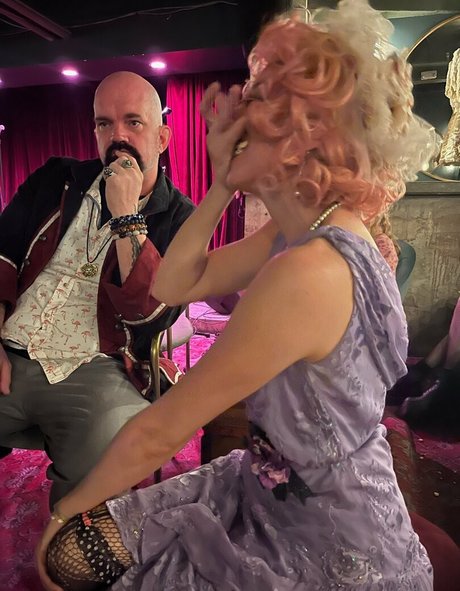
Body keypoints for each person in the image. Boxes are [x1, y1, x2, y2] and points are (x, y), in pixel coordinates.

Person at [37, 1, 439, 589]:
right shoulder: (309, 228)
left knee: (67, 555)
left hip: (326, 534)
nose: (234, 115)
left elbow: (162, 430)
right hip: (272, 484)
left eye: (258, 102)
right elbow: (173, 285)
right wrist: (223, 180)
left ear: (303, 137)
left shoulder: (307, 270)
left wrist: (60, 516)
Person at [0, 71, 194, 506]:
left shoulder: (182, 218)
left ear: (162, 138)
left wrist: (127, 217)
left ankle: (69, 533)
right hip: (10, 347)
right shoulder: (56, 178)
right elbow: (3, 251)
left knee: (113, 450)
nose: (117, 136)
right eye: (104, 124)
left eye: (133, 122)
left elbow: (152, 319)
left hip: (98, 366)